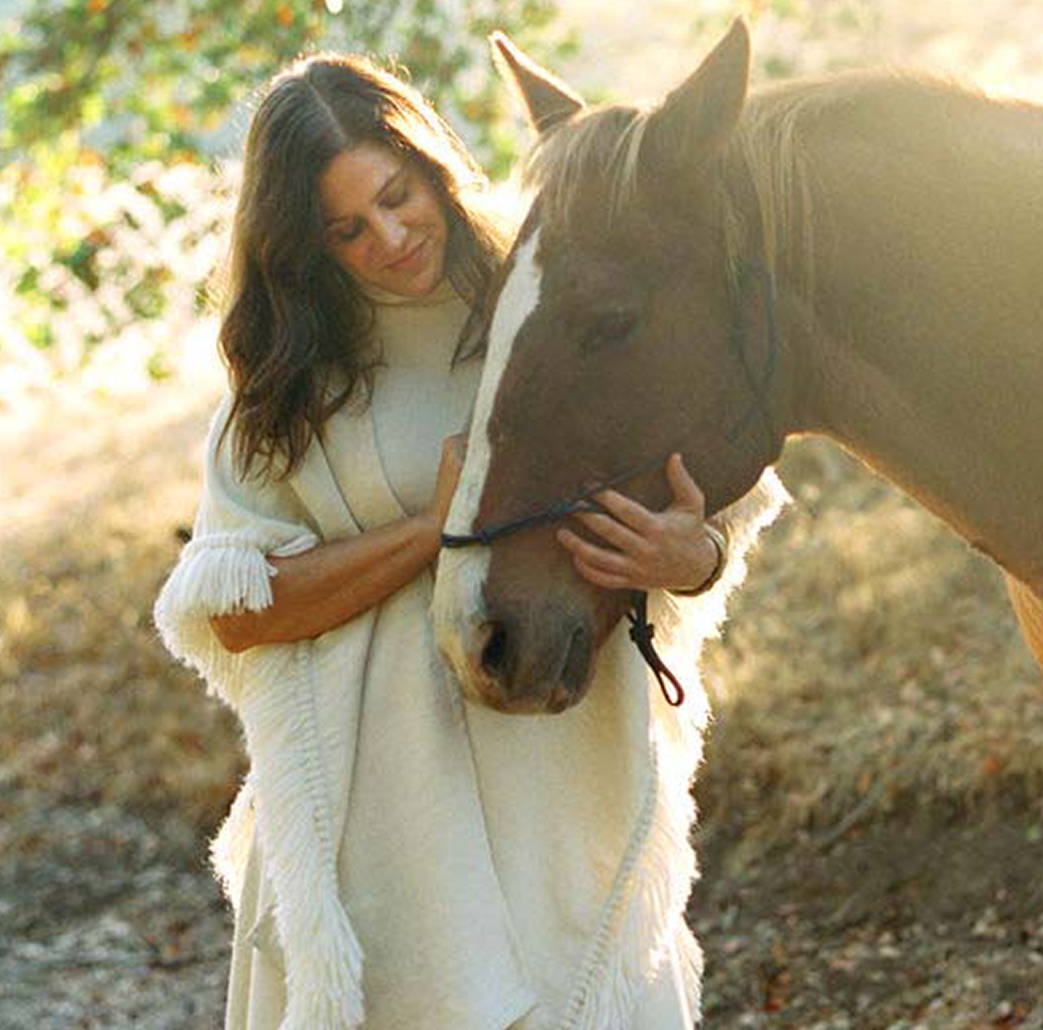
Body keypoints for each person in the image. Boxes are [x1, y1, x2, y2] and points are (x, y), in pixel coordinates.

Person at [152, 54, 785, 1030]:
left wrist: (686, 557)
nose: (391, 237)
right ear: (303, 244)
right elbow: (238, 612)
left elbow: (716, 509)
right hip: (386, 825)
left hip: (563, 777)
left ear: (431, 161)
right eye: (346, 229)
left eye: (397, 196)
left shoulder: (547, 302)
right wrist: (431, 529)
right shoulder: (286, 379)